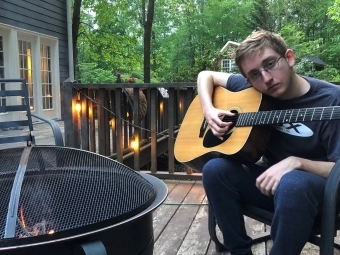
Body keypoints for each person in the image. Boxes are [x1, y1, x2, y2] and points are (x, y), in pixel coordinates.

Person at [197, 30, 340, 255]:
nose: (266, 78)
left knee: (292, 183)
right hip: (270, 187)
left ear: (289, 58)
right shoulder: (254, 92)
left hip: (321, 196)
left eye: (271, 64)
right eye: (254, 74)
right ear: (248, 80)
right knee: (215, 169)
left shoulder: (332, 101)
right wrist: (209, 110)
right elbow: (206, 75)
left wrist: (297, 163)